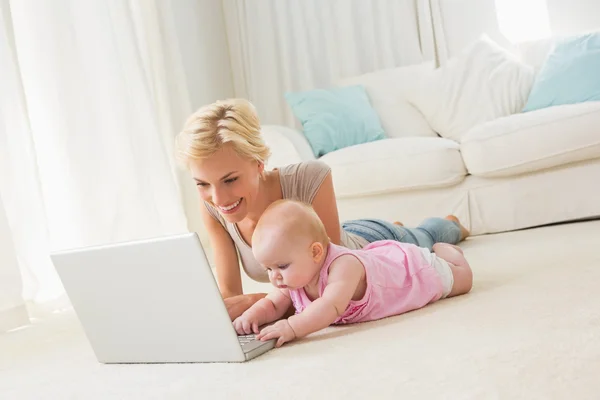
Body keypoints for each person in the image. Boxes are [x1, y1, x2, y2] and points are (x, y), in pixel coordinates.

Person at [175, 98, 470, 320]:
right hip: (332, 245)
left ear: (258, 164)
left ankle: (448, 222)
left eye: (230, 180)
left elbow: (325, 279)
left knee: (427, 237)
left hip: (370, 248)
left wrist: (263, 304)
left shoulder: (308, 177)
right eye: (202, 184)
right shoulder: (214, 208)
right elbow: (231, 298)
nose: (218, 197)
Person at [233, 200, 473, 347]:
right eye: (268, 268)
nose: (274, 277)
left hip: (410, 272)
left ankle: (450, 254)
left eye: (281, 266)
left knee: (462, 281)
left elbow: (330, 307)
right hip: (379, 260)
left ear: (316, 252)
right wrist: (251, 317)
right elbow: (272, 305)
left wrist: (293, 327)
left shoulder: (343, 267)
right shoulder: (293, 277)